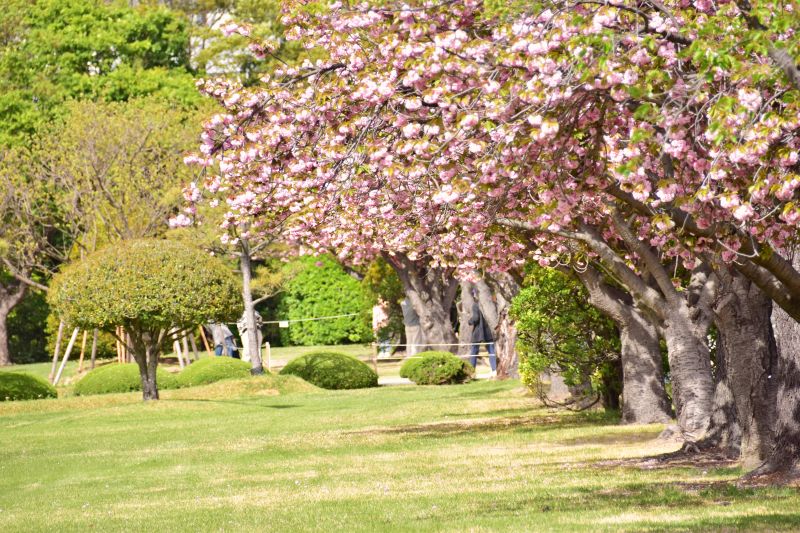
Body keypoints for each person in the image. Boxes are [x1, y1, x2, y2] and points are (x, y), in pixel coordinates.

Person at [468, 295, 496, 374]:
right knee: (491, 351)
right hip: (489, 331)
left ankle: (471, 371)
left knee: (474, 351)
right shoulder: (490, 304)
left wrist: (470, 321)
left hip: (478, 332)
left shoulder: (475, 305)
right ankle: (494, 369)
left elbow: (476, 318)